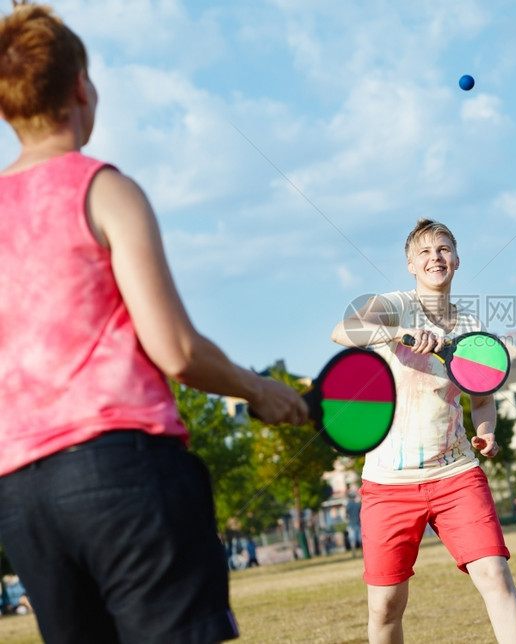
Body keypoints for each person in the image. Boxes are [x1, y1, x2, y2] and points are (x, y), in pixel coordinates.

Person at [0, 4, 308, 643]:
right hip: (123, 477)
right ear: (81, 87)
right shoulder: (104, 189)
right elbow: (175, 348)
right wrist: (260, 389)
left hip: (22, 497)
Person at [331, 219, 516, 644]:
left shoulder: (473, 327)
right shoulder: (396, 305)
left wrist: (487, 433)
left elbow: (482, 398)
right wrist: (398, 333)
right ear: (410, 264)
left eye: (443, 249)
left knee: (495, 575)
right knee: (385, 607)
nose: (434, 257)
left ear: (456, 260)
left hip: (456, 473)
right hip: (388, 482)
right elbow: (341, 331)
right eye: (424, 252)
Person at [345, 491, 363, 556]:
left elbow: (346, 516)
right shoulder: (357, 505)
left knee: (352, 539)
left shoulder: (348, 505)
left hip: (351, 524)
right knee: (360, 539)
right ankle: (362, 552)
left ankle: (353, 552)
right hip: (358, 523)